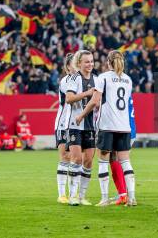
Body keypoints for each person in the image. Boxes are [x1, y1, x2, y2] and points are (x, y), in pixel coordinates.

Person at [76, 50, 137, 206]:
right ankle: (131, 198)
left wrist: (82, 115)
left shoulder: (103, 78)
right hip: (124, 127)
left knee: (103, 162)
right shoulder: (128, 80)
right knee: (125, 162)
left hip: (107, 125)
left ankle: (104, 198)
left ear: (108, 62)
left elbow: (95, 101)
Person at [64, 50, 97, 206]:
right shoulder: (74, 78)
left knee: (89, 161)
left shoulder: (97, 79)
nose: (90, 64)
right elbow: (69, 98)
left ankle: (82, 196)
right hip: (74, 124)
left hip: (90, 125)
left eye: (91, 61)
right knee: (76, 159)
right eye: (86, 61)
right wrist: (87, 93)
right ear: (79, 63)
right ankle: (72, 196)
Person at [108, 95, 136, 206]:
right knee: (123, 161)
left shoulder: (115, 89)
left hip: (122, 129)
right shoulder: (126, 89)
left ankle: (123, 194)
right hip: (131, 129)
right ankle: (126, 194)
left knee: (115, 158)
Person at [55, 53, 75, 203]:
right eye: (74, 63)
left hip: (79, 124)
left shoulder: (84, 80)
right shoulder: (66, 81)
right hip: (64, 123)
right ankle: (62, 194)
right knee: (65, 157)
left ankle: (74, 194)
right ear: (68, 67)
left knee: (77, 159)